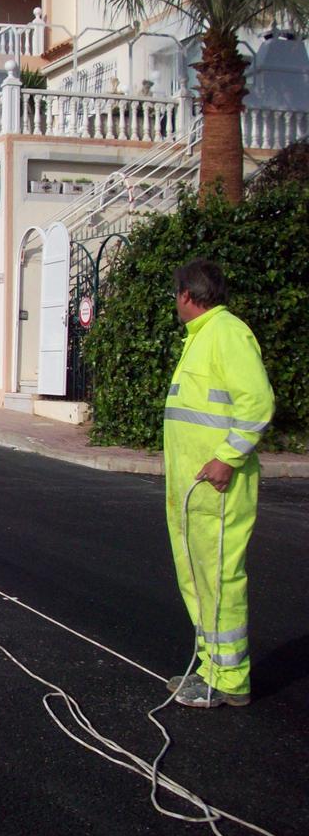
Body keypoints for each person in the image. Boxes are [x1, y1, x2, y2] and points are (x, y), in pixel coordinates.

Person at [163, 259, 273, 708]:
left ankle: (229, 681)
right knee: (201, 579)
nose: (175, 302)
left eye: (176, 294)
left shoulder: (226, 333)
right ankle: (211, 668)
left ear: (188, 295)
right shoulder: (203, 336)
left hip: (218, 487)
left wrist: (228, 458)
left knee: (220, 579)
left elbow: (257, 402)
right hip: (197, 488)